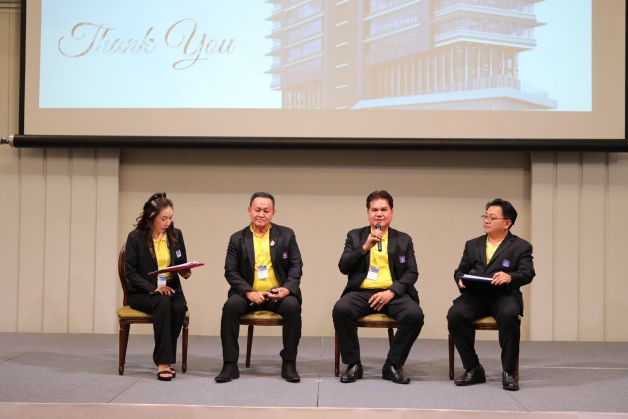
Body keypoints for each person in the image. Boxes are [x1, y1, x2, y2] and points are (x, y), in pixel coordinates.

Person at [332, 190, 424, 384]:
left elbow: (412, 273)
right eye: (374, 210)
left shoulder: (403, 239)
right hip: (362, 292)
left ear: (392, 212)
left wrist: (392, 292)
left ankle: (392, 365)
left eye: (384, 209)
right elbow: (343, 266)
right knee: (341, 309)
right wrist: (365, 247)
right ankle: (353, 364)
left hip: (393, 293)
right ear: (368, 213)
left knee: (414, 315)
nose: (379, 214)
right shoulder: (355, 236)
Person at [447, 198, 535, 391]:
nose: (486, 220)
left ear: (507, 223)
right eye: (485, 216)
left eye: (492, 217)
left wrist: (510, 277)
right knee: (455, 315)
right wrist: (460, 279)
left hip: (504, 296)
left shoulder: (521, 246)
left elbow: (528, 273)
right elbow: (460, 270)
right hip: (475, 296)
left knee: (509, 316)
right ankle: (473, 368)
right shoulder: (472, 244)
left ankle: (509, 372)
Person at [215, 192, 303, 383]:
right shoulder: (237, 238)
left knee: (292, 307)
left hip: (277, 294)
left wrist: (287, 289)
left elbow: (296, 266)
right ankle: (230, 365)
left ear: (273, 213)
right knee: (230, 307)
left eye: (266, 210)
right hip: (248, 294)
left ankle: (289, 363)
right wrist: (249, 292)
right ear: (249, 211)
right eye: (257, 210)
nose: (261, 214)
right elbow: (230, 271)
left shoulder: (286, 235)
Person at [124, 192, 191, 382]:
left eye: (170, 218)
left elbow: (181, 261)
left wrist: (185, 270)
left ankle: (164, 354)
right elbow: (131, 274)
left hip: (170, 288)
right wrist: (153, 288)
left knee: (179, 307)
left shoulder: (176, 235)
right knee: (163, 303)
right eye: (164, 218)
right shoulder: (135, 238)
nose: (168, 222)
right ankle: (163, 362)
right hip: (142, 291)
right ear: (151, 216)